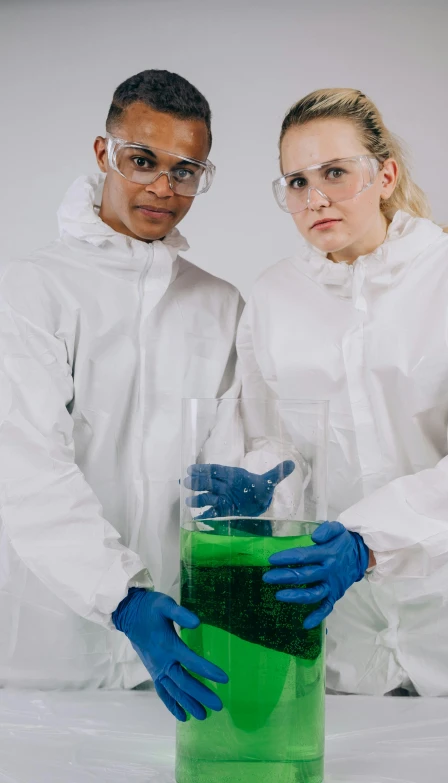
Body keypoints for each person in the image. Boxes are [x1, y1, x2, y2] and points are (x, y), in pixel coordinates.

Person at [233, 88, 448, 697]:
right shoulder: (272, 295)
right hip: (339, 610)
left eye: (335, 173)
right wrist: (260, 484)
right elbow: (272, 439)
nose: (315, 198)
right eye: (296, 181)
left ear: (385, 175)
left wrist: (368, 542)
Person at [0, 69, 244, 721]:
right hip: (48, 658)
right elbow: (26, 468)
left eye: (186, 170)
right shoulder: (30, 291)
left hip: (176, 651)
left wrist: (256, 477)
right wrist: (121, 596)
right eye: (143, 160)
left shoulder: (220, 305)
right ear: (104, 153)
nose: (164, 187)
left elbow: (245, 445)